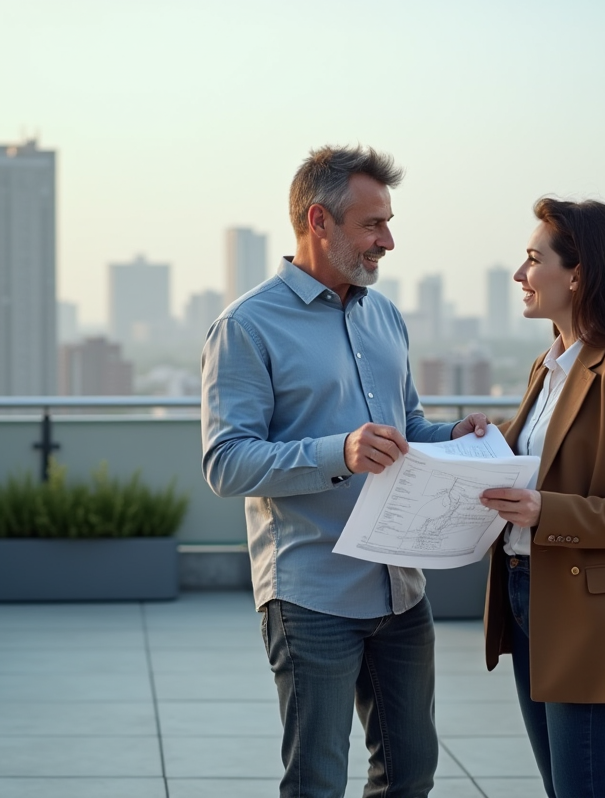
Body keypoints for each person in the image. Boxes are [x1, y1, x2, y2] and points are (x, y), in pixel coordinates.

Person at [201, 144, 489, 798]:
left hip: (400, 588)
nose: (388, 240)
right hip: (312, 594)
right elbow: (226, 462)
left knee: (410, 775)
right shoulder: (245, 326)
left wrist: (455, 436)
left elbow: (405, 428)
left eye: (388, 223)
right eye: (372, 224)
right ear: (318, 221)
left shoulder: (384, 316)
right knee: (317, 783)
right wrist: (341, 452)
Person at [478, 198, 605, 798]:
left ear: (577, 275)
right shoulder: (547, 368)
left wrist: (546, 511)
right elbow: (540, 463)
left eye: (533, 259)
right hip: (525, 592)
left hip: (587, 617)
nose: (520, 274)